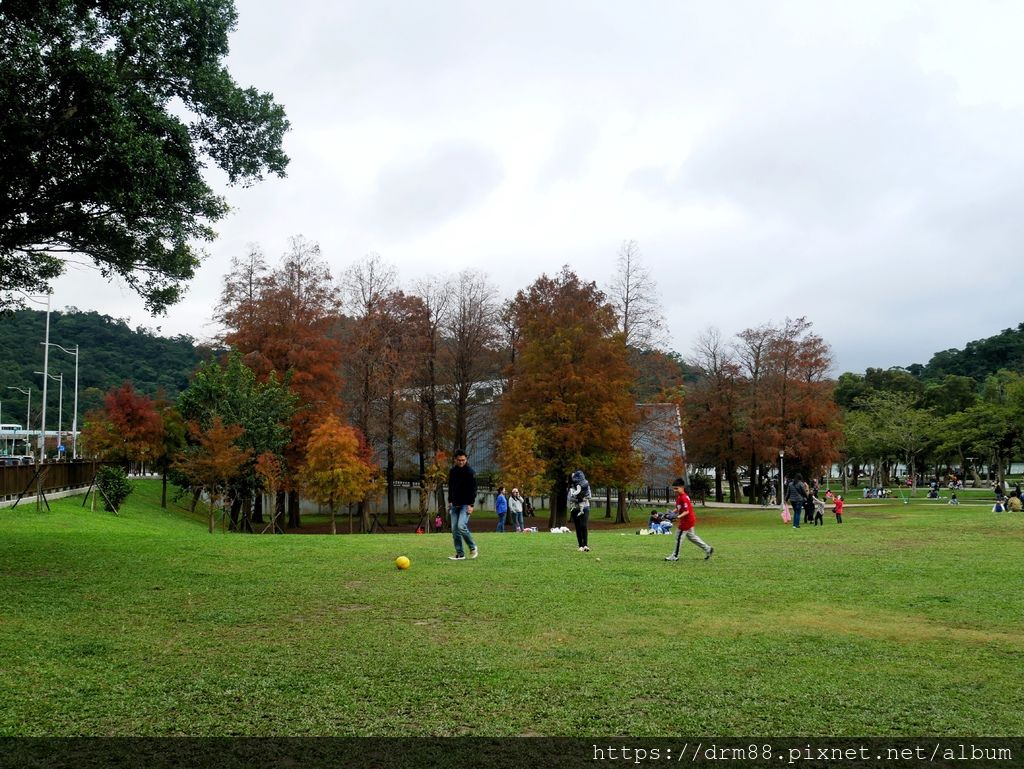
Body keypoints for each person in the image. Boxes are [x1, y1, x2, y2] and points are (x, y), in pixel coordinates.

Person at [665, 477, 713, 561]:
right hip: (689, 520)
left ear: (682, 487)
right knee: (692, 537)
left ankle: (675, 556)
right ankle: (708, 549)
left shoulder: (683, 497)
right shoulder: (680, 497)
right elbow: (678, 508)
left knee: (678, 537)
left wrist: (677, 517)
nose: (675, 490)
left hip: (687, 521)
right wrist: (671, 513)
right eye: (674, 489)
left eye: (676, 488)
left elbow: (686, 511)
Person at [446, 450, 478, 560]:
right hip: (455, 504)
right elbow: (451, 487)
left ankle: (472, 547)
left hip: (466, 504)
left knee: (461, 526)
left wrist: (471, 505)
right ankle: (460, 554)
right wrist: (450, 501)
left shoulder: (470, 472)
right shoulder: (452, 471)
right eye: (459, 460)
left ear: (466, 459)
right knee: (455, 530)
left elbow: (473, 490)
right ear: (455, 460)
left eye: (463, 460)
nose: (461, 462)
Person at [567, 469, 592, 552]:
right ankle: (580, 545)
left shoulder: (585, 485)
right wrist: (578, 500)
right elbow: (570, 498)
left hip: (585, 507)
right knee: (578, 527)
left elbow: (589, 496)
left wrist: (583, 498)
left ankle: (585, 545)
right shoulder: (572, 488)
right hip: (575, 508)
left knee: (583, 525)